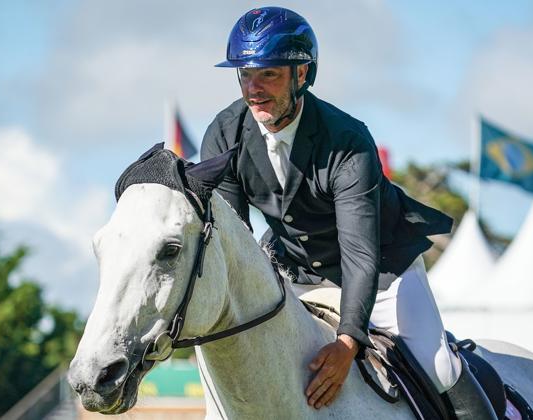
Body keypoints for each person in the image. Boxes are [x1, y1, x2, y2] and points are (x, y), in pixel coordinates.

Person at [200, 7, 496, 419]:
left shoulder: (347, 140)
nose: (254, 89)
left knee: (439, 368)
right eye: (245, 74)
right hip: (295, 269)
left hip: (383, 268)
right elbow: (234, 238)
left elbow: (360, 253)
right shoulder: (224, 133)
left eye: (268, 74)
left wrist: (348, 342)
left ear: (302, 74)